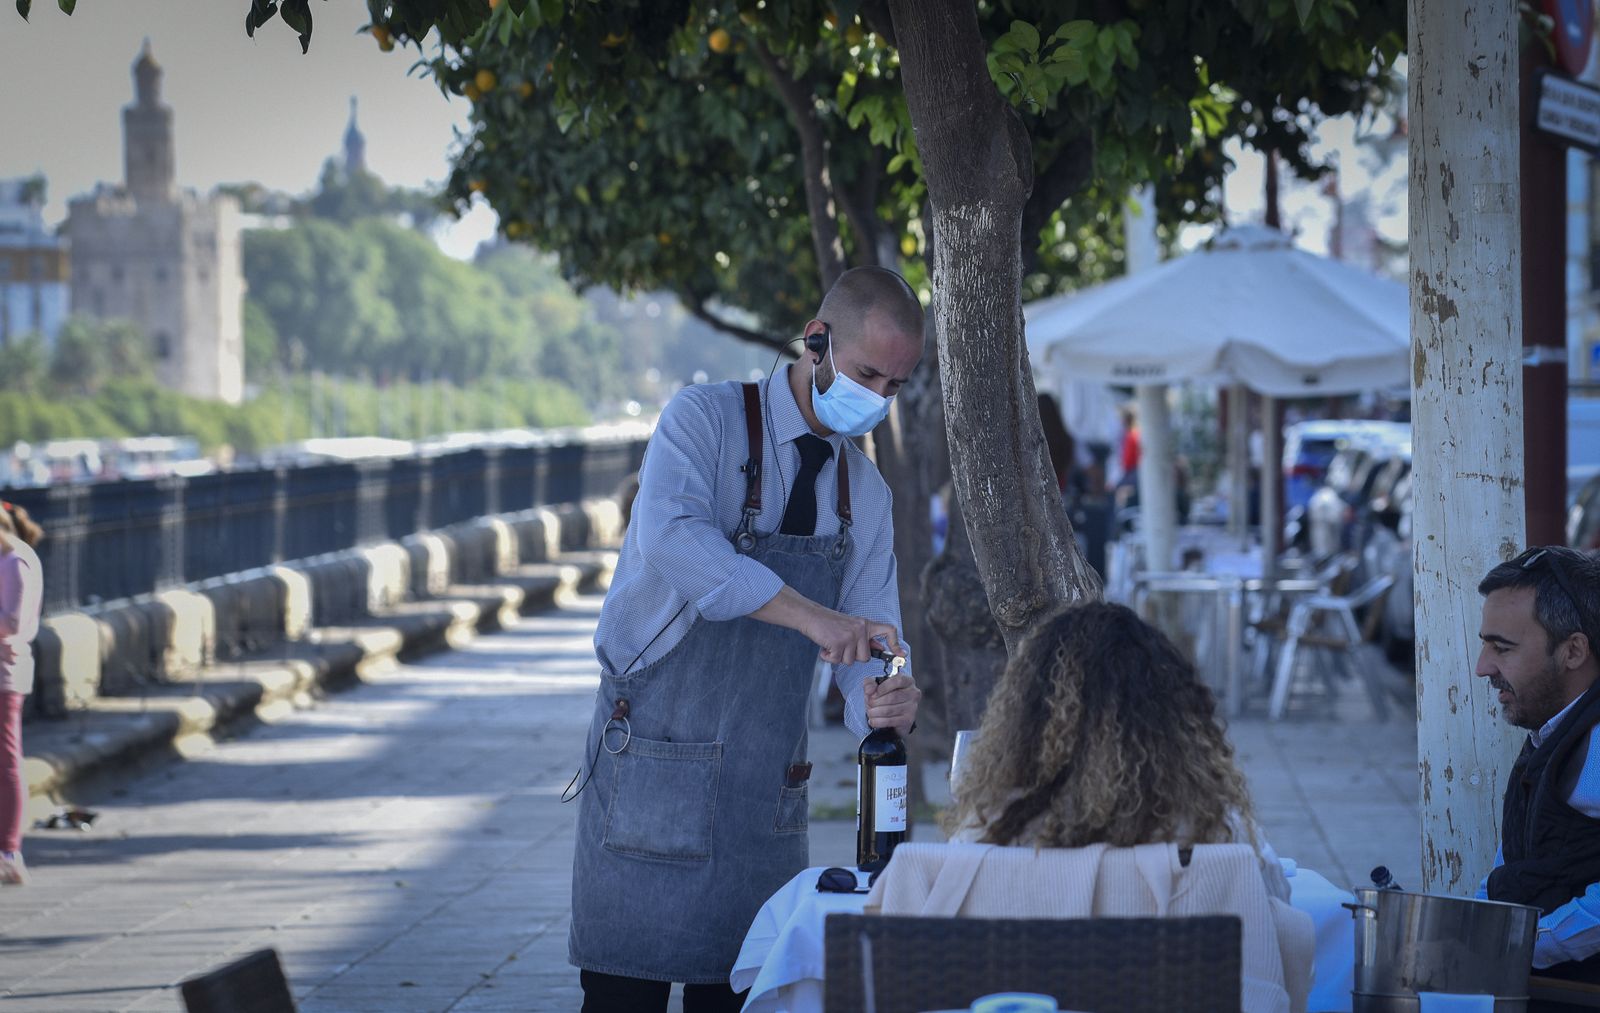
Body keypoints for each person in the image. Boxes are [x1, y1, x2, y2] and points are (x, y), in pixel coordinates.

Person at [568, 266, 924, 1013]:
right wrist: (812, 615)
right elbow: (675, 538)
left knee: (734, 998)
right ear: (816, 341)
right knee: (619, 1000)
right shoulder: (703, 420)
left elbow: (869, 635)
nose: (878, 400)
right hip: (651, 769)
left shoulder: (869, 494)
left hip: (764, 793)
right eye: (867, 374)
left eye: (895, 386)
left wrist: (885, 700)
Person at [945, 600, 1287, 898]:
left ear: (1025, 720)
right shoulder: (1214, 831)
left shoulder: (990, 835)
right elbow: (1271, 916)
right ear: (1172, 720)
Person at [1474, 546, 1600, 1000]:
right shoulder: (1554, 728)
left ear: (1572, 650)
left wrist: (1525, 946)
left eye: (1501, 648)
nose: (1483, 667)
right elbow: (1514, 860)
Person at [0, 501, 43, 886]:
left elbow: (9, 622)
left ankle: (10, 851)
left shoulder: (14, 561)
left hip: (5, 674)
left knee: (7, 760)